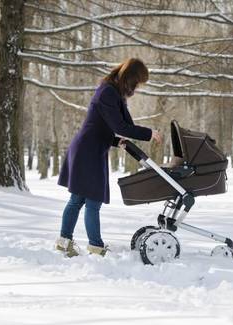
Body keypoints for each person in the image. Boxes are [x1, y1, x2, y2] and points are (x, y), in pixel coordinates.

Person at [56, 58, 162, 257]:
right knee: (91, 201)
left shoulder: (112, 92)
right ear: (131, 79)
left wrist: (115, 141)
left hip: (90, 148)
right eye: (138, 83)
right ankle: (95, 246)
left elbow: (105, 125)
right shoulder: (108, 93)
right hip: (88, 151)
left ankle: (64, 241)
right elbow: (119, 126)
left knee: (77, 199)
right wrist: (149, 134)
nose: (137, 88)